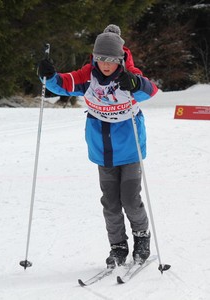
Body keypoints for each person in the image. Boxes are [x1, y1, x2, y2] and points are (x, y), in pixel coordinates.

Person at [38, 32, 158, 267]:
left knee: (131, 200)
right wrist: (49, 75)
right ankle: (118, 246)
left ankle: (142, 239)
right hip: (102, 149)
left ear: (120, 59)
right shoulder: (87, 76)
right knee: (111, 202)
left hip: (130, 148)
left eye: (111, 60)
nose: (106, 64)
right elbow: (63, 84)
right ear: (94, 58)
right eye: (101, 59)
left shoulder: (128, 76)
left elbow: (150, 91)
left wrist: (136, 83)